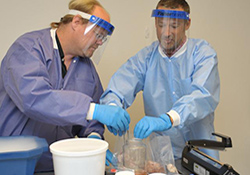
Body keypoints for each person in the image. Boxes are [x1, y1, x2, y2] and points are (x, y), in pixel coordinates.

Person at [0, 0, 130, 173]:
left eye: (103, 38)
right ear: (76, 22)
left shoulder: (87, 68)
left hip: (57, 165)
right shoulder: (28, 48)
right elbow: (33, 98)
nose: (100, 42)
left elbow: (92, 117)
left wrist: (94, 137)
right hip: (16, 162)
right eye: (98, 34)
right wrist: (92, 110)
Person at [100, 0, 220, 160]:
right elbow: (119, 86)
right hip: (163, 158)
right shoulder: (146, 58)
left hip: (201, 155)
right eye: (161, 24)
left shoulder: (202, 54)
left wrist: (168, 119)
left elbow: (202, 97)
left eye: (174, 26)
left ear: (187, 24)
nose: (166, 33)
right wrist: (112, 108)